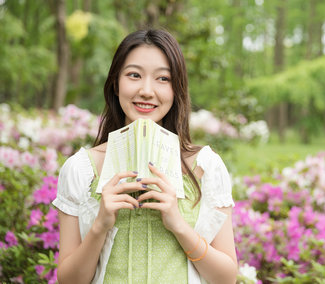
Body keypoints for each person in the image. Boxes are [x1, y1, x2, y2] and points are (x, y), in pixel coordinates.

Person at [52, 29, 238, 283]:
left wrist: (179, 225)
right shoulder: (81, 169)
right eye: (134, 75)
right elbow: (69, 281)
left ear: (176, 89)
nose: (147, 91)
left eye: (163, 78)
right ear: (116, 83)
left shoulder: (205, 166)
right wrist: (100, 225)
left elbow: (226, 278)